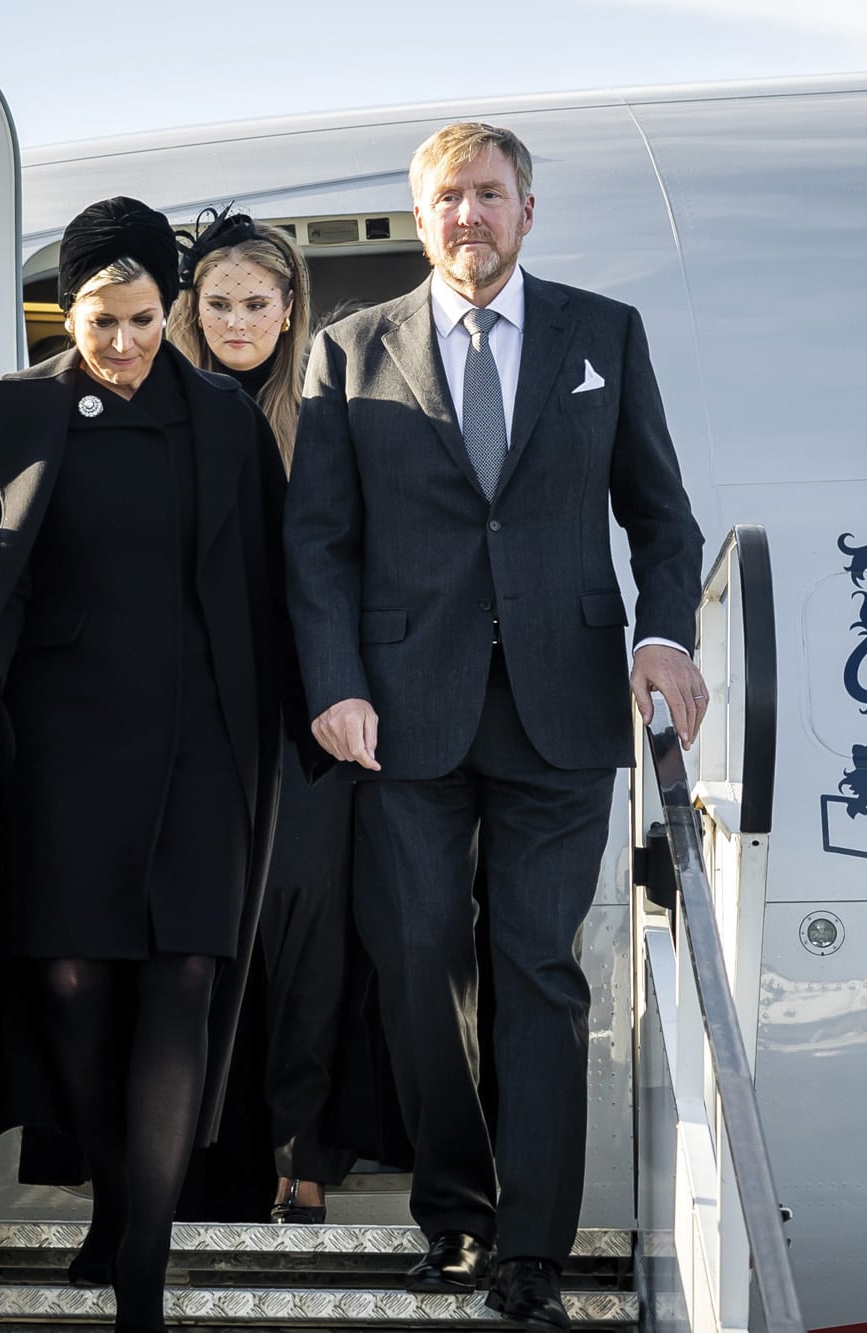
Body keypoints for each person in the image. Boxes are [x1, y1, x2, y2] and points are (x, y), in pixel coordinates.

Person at [284, 123, 708, 1331]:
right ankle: (453, 1209)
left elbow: (659, 519)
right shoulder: (347, 352)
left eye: (487, 194)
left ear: (528, 209)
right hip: (399, 714)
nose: (467, 216)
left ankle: (528, 1250)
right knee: (418, 963)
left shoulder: (601, 335)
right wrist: (335, 679)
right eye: (445, 200)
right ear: (419, 223)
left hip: (561, 703)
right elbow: (315, 541)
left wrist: (659, 632)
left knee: (537, 972)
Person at [0, 196, 297, 1333]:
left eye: (141, 318)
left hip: (203, 741)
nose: (121, 345)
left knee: (183, 981)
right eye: (98, 320)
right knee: (70, 983)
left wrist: (321, 706)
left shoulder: (221, 418)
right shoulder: (15, 410)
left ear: (169, 306)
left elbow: (276, 577)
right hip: (60, 745)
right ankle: (119, 1193)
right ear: (63, 313)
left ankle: (141, 1282)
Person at [170, 210, 358, 1222]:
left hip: (306, 726)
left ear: (289, 312)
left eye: (256, 302)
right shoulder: (168, 412)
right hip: (198, 730)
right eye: (219, 303)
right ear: (191, 312)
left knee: (309, 946)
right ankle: (214, 1158)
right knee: (206, 947)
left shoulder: (327, 413)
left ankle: (304, 1148)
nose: (238, 319)